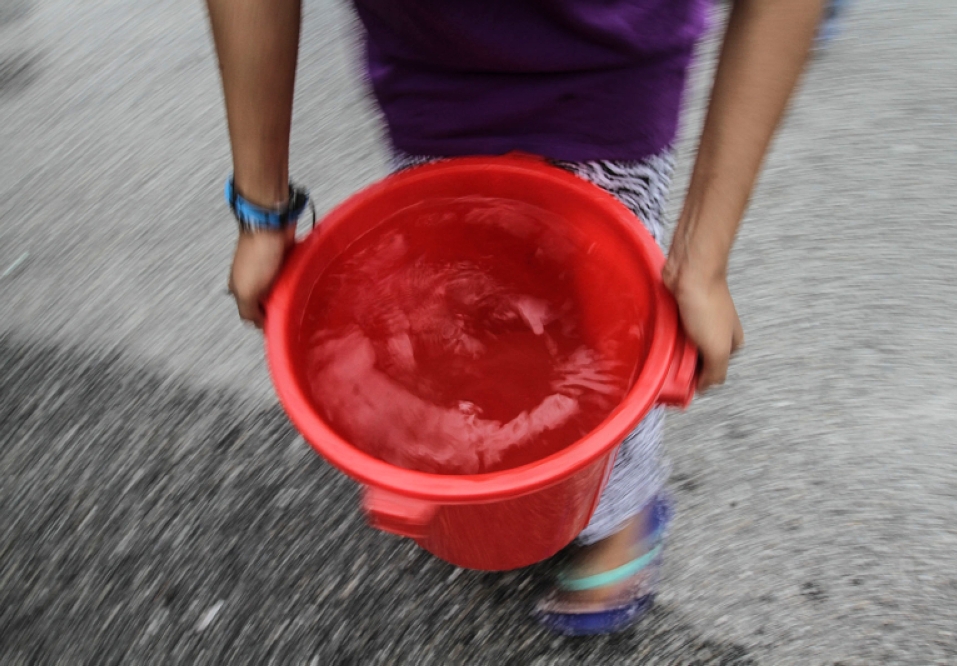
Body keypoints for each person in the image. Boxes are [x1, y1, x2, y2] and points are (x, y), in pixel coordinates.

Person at [207, 0, 823, 636]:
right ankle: (494, 481)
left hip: (607, 79)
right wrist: (262, 208)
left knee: (612, 329)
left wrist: (701, 261)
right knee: (450, 310)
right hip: (430, 74)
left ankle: (622, 508)